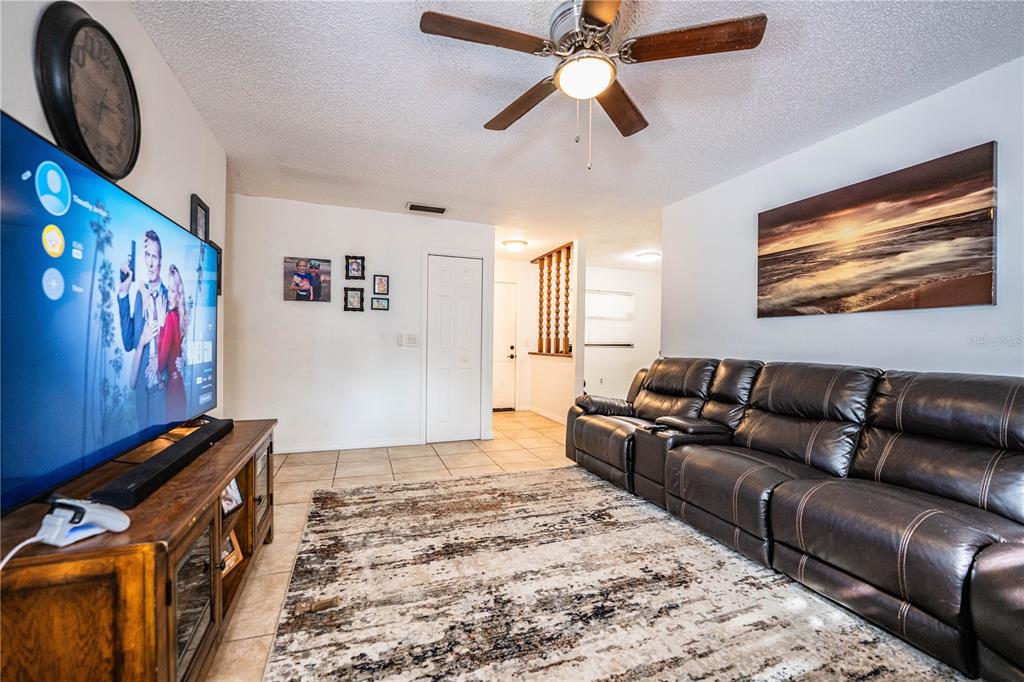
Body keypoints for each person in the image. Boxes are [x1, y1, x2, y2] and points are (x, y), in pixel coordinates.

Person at [118, 230, 167, 426]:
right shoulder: (140, 295)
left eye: (154, 256)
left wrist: (161, 358)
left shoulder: (169, 296)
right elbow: (129, 342)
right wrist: (124, 292)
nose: (150, 262)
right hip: (141, 393)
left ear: (160, 260)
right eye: (147, 255)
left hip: (162, 392)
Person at [157, 265, 187, 421]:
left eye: (173, 291)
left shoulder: (170, 318)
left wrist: (161, 326)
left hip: (173, 388)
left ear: (179, 295)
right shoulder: (178, 317)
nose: (169, 295)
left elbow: (161, 361)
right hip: (178, 385)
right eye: (168, 290)